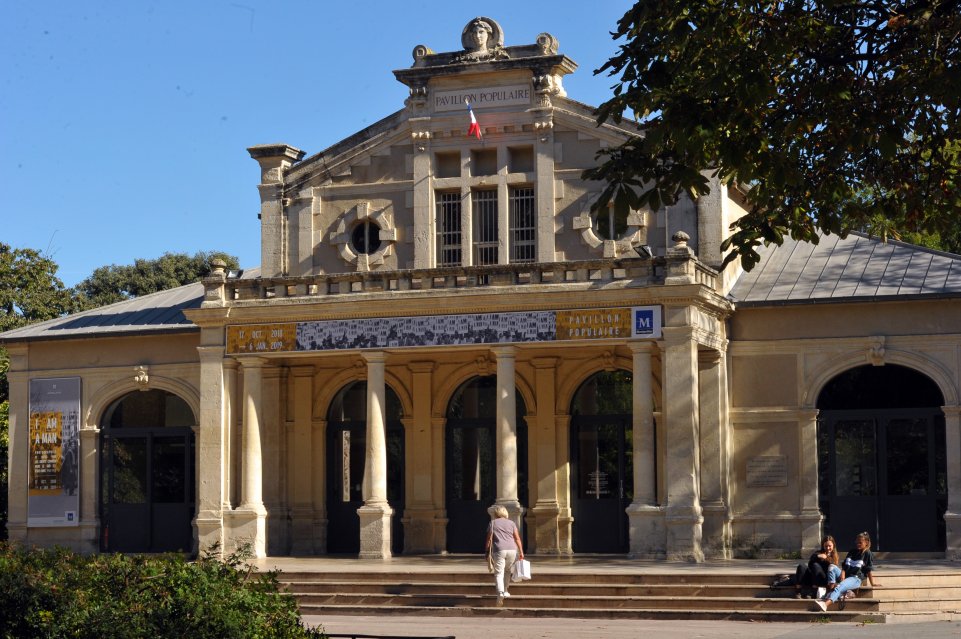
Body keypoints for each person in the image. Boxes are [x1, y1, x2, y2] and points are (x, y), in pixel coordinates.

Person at [815, 531, 880, 612]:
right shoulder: (852, 551)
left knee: (840, 586)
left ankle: (826, 604)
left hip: (855, 578)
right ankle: (831, 591)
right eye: (857, 542)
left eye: (860, 542)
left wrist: (872, 583)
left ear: (866, 542)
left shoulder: (867, 553)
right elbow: (844, 565)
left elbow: (868, 570)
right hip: (846, 576)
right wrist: (842, 573)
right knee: (832, 567)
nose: (858, 544)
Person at [484, 505, 524, 605]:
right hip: (512, 550)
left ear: (496, 513)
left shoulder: (492, 523)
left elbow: (489, 539)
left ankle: (500, 592)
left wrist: (486, 551)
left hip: (499, 550)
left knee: (498, 572)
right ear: (505, 513)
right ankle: (505, 591)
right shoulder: (512, 523)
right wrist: (521, 551)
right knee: (507, 571)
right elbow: (517, 538)